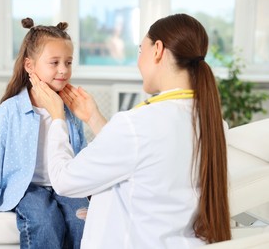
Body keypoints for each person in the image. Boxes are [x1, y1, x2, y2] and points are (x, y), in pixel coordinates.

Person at [29, 13, 231, 248]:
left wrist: (57, 118)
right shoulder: (213, 123)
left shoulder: (138, 123)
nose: (138, 61)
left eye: (139, 50)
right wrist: (94, 118)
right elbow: (140, 158)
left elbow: (64, 180)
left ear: (157, 49)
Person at [0, 17, 89, 249]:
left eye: (68, 62)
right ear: (29, 66)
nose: (63, 70)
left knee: (82, 222)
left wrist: (92, 191)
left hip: (64, 184)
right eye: (54, 62)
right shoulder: (10, 110)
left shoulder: (71, 108)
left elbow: (81, 152)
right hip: (27, 187)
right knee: (45, 223)